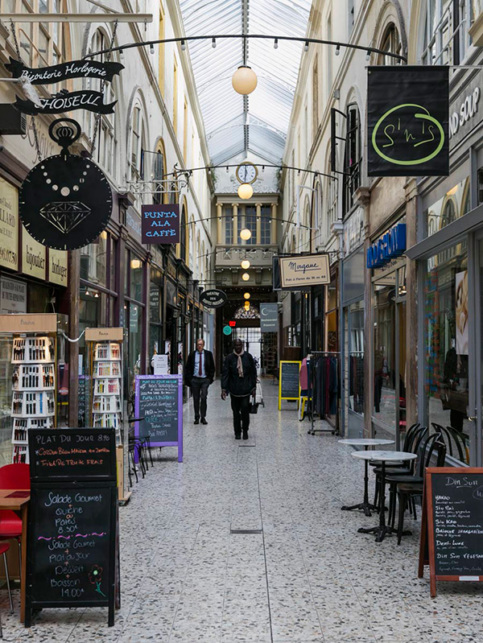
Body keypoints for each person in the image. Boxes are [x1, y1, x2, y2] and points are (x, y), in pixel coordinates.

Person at [221, 339, 257, 440]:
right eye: (236, 345)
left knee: (245, 410)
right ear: (234, 346)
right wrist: (224, 388)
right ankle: (237, 432)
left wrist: (253, 387)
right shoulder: (229, 358)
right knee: (235, 412)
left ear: (242, 346)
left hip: (246, 389)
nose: (237, 347)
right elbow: (225, 374)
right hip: (234, 389)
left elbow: (253, 373)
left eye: (239, 345)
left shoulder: (248, 357)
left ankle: (245, 430)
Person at [184, 339, 215, 425]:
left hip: (205, 379)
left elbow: (212, 367)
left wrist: (209, 378)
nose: (199, 346)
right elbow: (188, 367)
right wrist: (190, 379)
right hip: (195, 379)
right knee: (196, 398)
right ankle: (196, 416)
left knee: (204, 397)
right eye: (198, 344)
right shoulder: (192, 355)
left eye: (201, 344)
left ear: (203, 345)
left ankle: (203, 417)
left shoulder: (208, 354)